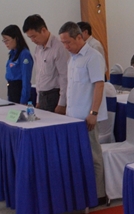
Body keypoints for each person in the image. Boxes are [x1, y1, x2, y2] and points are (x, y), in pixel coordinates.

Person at [58, 21, 106, 202]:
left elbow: (99, 85)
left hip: (87, 116)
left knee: (94, 156)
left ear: (79, 37)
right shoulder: (73, 58)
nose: (66, 46)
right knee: (79, 157)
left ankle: (99, 194)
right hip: (73, 116)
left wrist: (93, 113)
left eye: (68, 42)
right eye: (63, 43)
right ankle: (85, 191)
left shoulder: (93, 56)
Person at [22, 14, 68, 113]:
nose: (32, 40)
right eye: (30, 37)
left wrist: (62, 103)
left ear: (43, 30)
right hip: (42, 96)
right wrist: (38, 100)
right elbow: (39, 75)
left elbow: (64, 76)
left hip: (55, 96)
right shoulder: (38, 49)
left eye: (34, 36)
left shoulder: (59, 47)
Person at [1, 24, 33, 104]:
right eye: (4, 41)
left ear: (16, 38)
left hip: (19, 90)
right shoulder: (12, 54)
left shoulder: (24, 54)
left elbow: (26, 79)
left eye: (7, 40)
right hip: (11, 89)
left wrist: (23, 101)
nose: (5, 43)